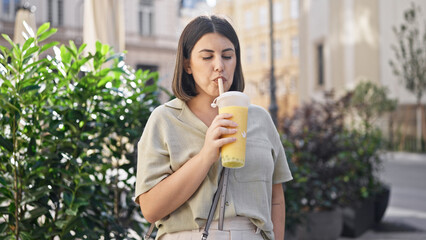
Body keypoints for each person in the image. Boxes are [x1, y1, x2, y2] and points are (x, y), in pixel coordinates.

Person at [134, 14, 292, 240]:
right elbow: (150, 209)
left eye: (227, 56)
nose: (219, 66)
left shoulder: (260, 119)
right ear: (188, 64)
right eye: (207, 57)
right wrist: (206, 155)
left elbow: (276, 197)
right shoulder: (165, 119)